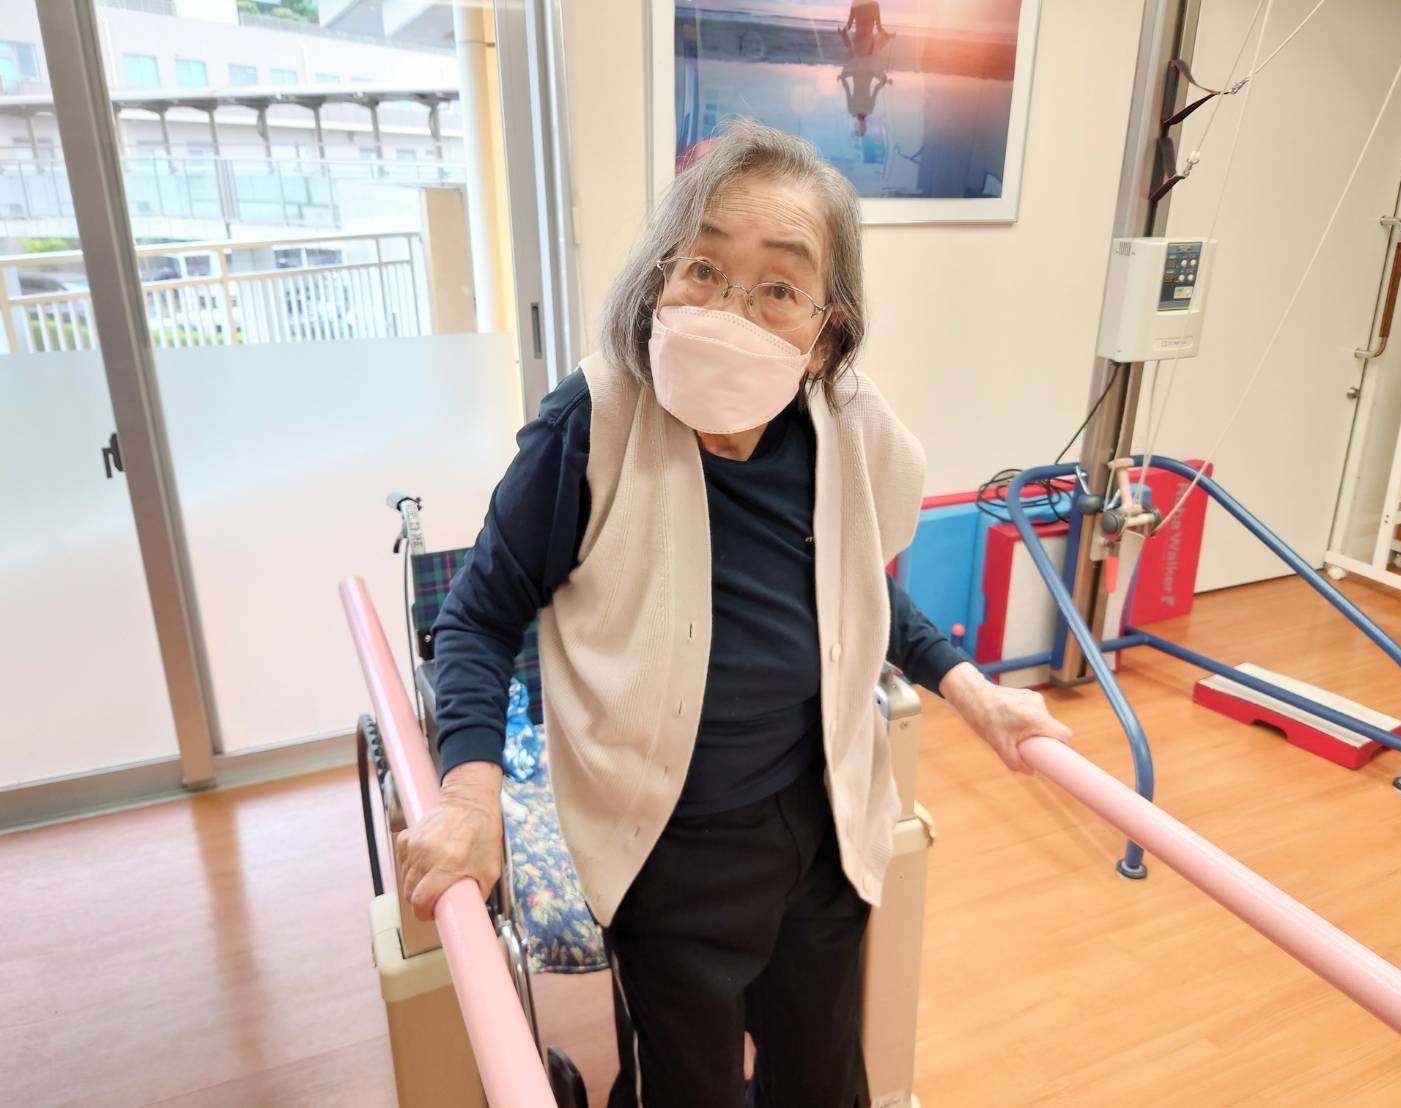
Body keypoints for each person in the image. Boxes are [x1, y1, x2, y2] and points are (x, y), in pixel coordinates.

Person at [395, 121, 1072, 1108]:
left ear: (824, 332)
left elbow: (854, 591)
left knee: (822, 1081)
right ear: (660, 279)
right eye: (704, 269)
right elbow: (479, 616)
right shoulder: (592, 424)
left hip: (821, 822)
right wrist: (468, 799)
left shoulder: (842, 432)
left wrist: (974, 692)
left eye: (778, 287)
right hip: (668, 846)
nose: (728, 309)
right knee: (689, 1089)